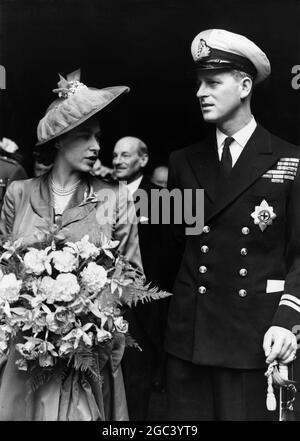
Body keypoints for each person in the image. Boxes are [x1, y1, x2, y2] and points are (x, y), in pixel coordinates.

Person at [166, 29, 299, 421]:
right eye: (198, 84)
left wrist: (287, 322)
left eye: (212, 83)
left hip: (252, 340)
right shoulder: (182, 162)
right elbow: (167, 249)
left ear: (244, 86)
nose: (200, 93)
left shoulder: (289, 162)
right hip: (189, 343)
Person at [0, 70, 142, 421]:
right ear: (60, 140)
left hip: (86, 356)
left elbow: (134, 279)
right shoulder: (19, 193)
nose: (96, 146)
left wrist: (82, 312)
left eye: (97, 136)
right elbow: (3, 266)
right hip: (25, 356)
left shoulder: (116, 198)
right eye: (84, 136)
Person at [113, 136, 171, 420]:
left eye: (125, 155)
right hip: (104, 302)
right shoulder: (103, 193)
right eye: (115, 155)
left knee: (136, 383)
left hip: (143, 306)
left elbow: (169, 254)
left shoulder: (161, 198)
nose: (117, 160)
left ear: (143, 160)